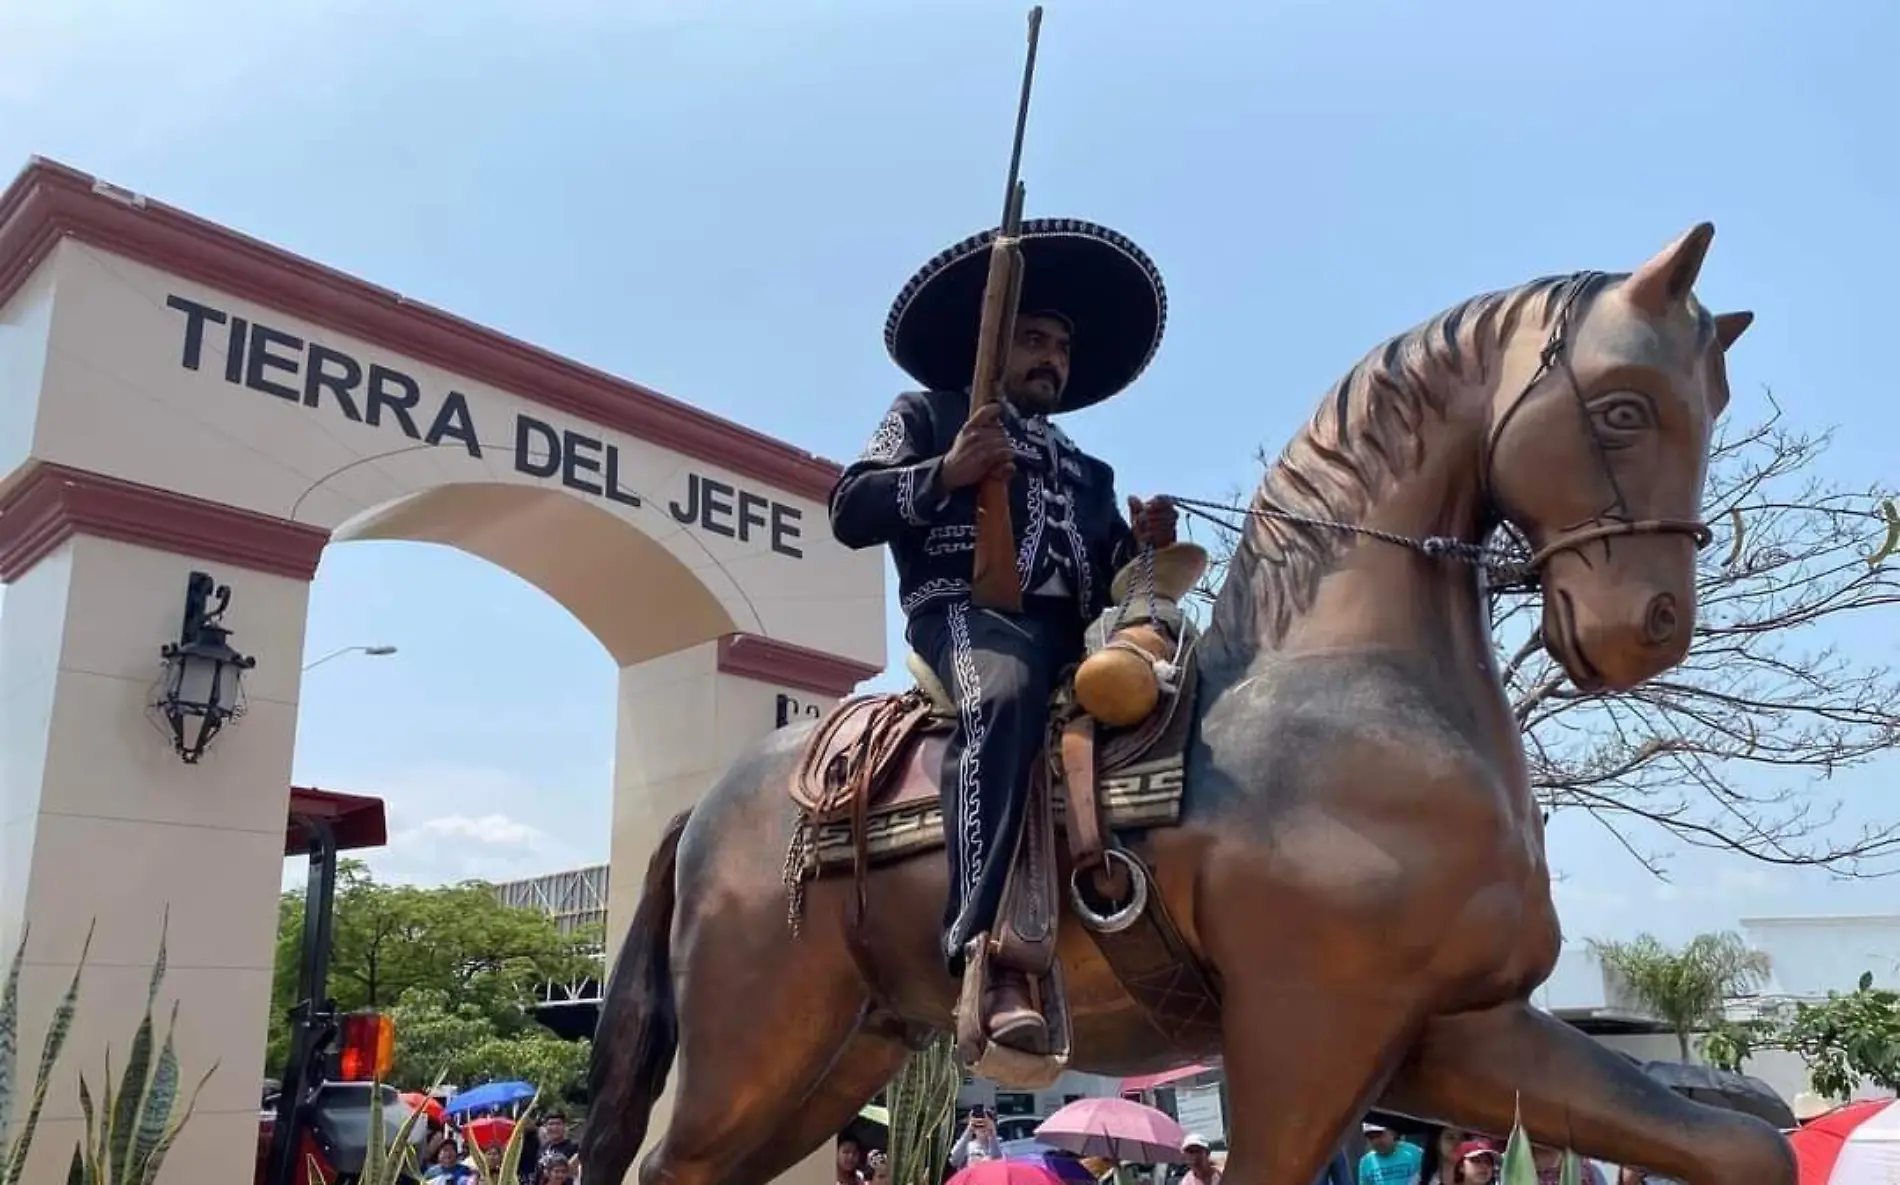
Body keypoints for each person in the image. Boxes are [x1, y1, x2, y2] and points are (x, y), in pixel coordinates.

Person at [829, 217, 1174, 1053]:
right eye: (1032, 338)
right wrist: (946, 471)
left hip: (1075, 635)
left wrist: (1150, 548)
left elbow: (1112, 568)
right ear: (994, 347)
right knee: (1008, 695)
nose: (1051, 354)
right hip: (962, 614)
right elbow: (850, 508)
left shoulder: (1092, 473)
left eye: (1060, 343)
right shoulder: (929, 413)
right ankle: (985, 946)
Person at [1358, 1123, 1424, 1185]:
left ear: (1392, 1133)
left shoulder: (1415, 1153)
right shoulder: (1366, 1162)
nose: (1376, 1141)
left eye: (1379, 1135)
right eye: (1371, 1137)